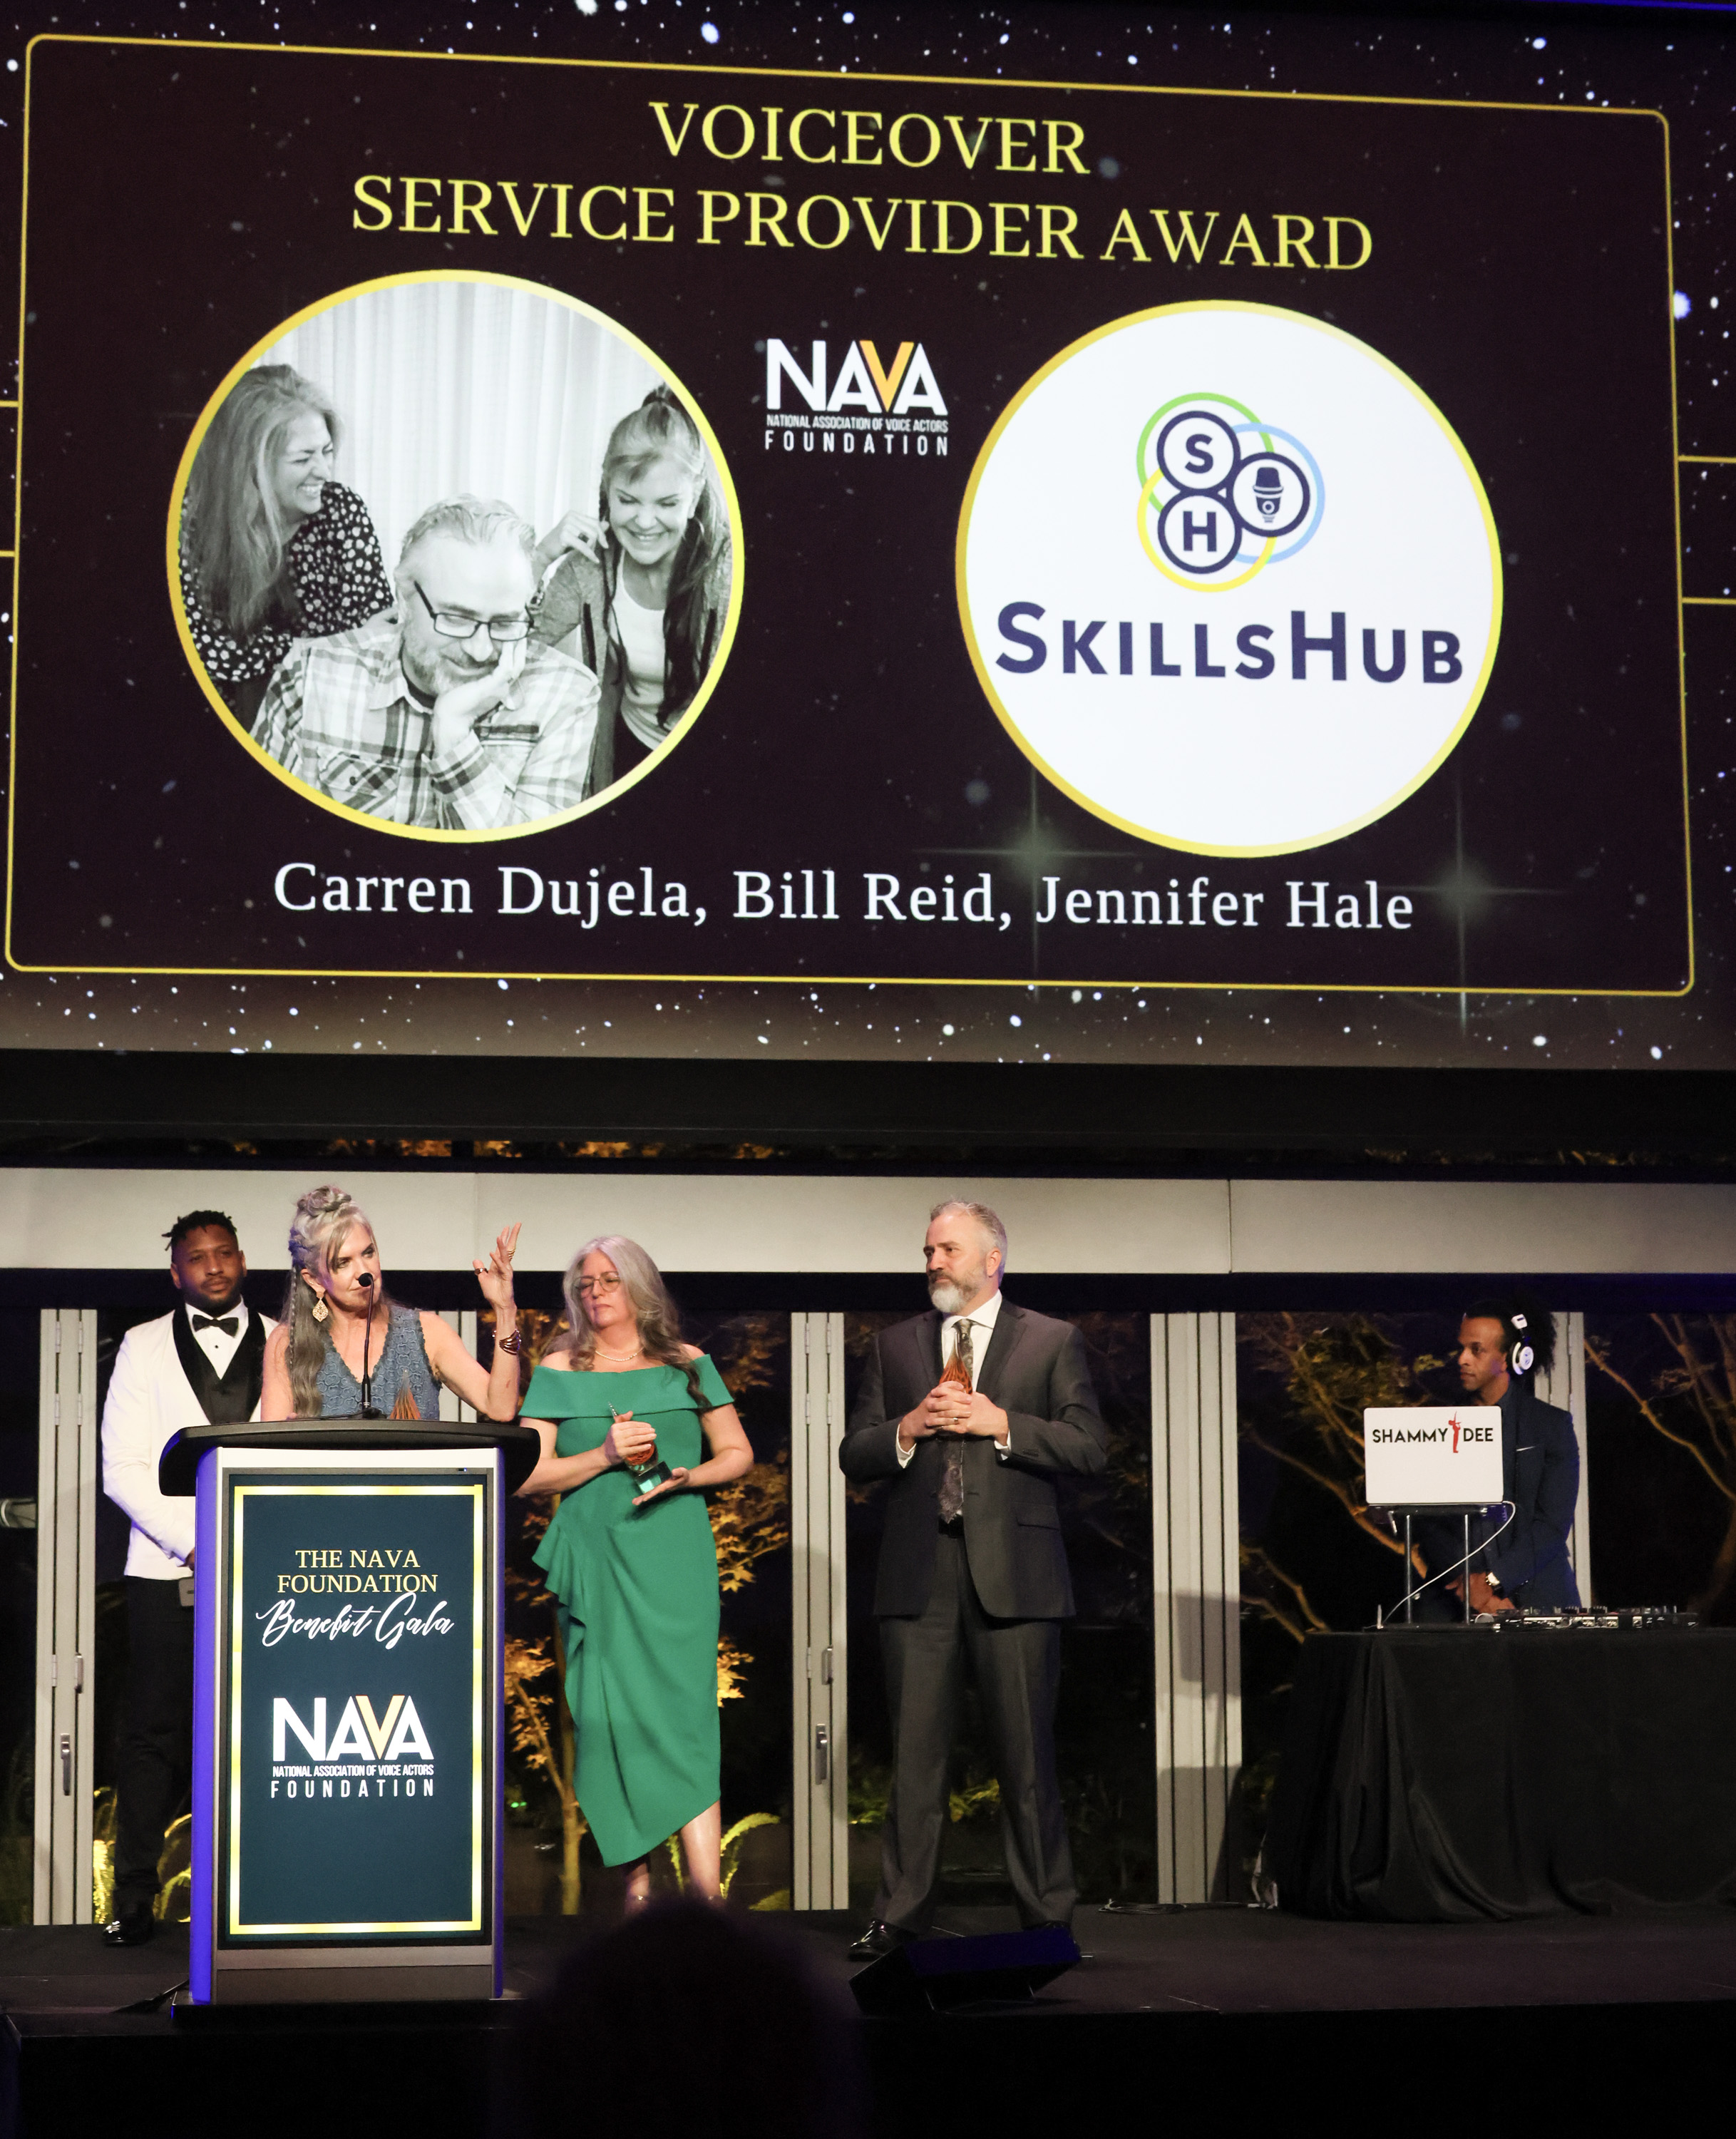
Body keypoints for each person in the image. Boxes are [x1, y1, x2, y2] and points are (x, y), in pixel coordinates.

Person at [839, 1199, 1107, 1959]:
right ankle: (900, 1915)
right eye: (927, 1250)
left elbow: (1089, 1448)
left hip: (1015, 1575)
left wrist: (1000, 1424)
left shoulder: (1051, 1342)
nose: (932, 1262)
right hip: (917, 1575)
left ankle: (1046, 1917)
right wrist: (907, 1428)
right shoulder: (893, 1348)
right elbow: (854, 1452)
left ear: (992, 1259)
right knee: (915, 1761)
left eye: (946, 1250)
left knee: (1026, 1760)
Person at [516, 1235, 753, 1901]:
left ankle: (707, 1901)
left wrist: (686, 1479)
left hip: (673, 1555)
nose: (593, 1291)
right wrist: (603, 1456)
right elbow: (527, 1475)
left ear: (639, 1287)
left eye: (608, 1280)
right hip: (594, 1560)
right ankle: (636, 1888)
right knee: (608, 1718)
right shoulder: (560, 1367)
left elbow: (737, 1453)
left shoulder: (688, 1364)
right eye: (584, 1282)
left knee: (684, 1719)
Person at [100, 1209, 275, 1946]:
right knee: (155, 1735)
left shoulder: (286, 1340)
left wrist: (255, 1540)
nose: (211, 1267)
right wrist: (198, 1542)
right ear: (177, 1272)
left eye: (222, 1253)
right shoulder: (141, 1346)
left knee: (265, 1735)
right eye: (196, 1258)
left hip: (269, 1569)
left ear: (241, 1259)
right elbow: (123, 1468)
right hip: (164, 1570)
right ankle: (134, 1901)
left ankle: (263, 1893)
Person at [252, 496, 600, 830]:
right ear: (404, 600)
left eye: (505, 623)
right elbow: (265, 843)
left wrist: (454, 735)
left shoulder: (566, 696)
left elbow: (529, 873)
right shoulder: (312, 674)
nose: (480, 651)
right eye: (456, 619)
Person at [531, 385, 732, 794]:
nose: (644, 521)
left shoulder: (727, 573)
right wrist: (539, 557)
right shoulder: (588, 569)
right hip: (627, 756)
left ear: (693, 501)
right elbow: (515, 646)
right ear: (607, 492)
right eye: (628, 500)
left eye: (666, 504)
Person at [179, 364, 393, 730]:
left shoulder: (341, 510)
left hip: (322, 721)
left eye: (327, 451)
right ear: (251, 465)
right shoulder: (191, 527)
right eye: (303, 458)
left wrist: (291, 650)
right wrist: (336, 644)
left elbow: (379, 637)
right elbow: (217, 657)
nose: (325, 471)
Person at [260, 1184, 523, 1422]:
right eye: (343, 1263)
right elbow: (267, 1455)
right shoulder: (287, 1343)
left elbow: (499, 1408)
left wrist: (504, 1309)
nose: (364, 1273)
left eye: (368, 1253)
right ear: (315, 1280)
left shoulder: (428, 1333)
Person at [1417, 1295, 1581, 1614]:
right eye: (1461, 1348)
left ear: (1511, 1358)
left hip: (1539, 1599)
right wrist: (1469, 1587)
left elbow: (1551, 1526)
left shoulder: (1551, 1426)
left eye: (1476, 1349)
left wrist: (1493, 1583)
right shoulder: (1437, 1424)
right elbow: (1428, 1522)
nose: (1462, 1359)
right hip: (1453, 1602)